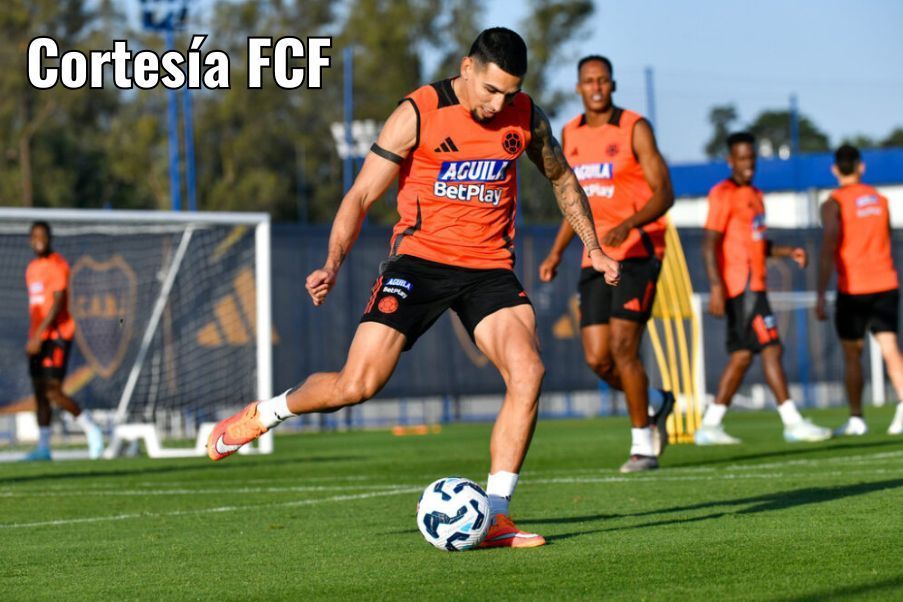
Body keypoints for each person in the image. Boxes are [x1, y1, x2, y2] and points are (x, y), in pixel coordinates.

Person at [206, 28, 619, 549]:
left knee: (528, 371)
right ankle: (265, 413)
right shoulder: (419, 112)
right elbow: (359, 195)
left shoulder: (525, 115)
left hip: (489, 268)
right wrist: (333, 263)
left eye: (510, 93)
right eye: (491, 90)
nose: (500, 103)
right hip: (419, 263)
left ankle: (494, 516)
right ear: (466, 68)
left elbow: (561, 178)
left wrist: (594, 247)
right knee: (357, 385)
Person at [537, 55, 675, 473]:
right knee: (598, 358)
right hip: (593, 256)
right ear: (579, 88)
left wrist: (628, 224)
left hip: (637, 252)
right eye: (588, 81)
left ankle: (643, 444)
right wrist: (558, 252)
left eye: (603, 80)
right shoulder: (570, 133)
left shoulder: (634, 127)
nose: (596, 87)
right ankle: (655, 401)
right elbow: (574, 201)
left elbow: (664, 193)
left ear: (612, 84)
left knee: (623, 347)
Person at [695, 132, 831, 445]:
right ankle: (793, 422)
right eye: (741, 159)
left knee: (743, 356)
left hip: (755, 285)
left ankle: (710, 426)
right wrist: (716, 288)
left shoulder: (756, 195)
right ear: (730, 161)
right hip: (741, 288)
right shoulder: (723, 193)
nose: (748, 164)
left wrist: (788, 251)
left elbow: (756, 242)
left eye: (751, 158)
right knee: (771, 348)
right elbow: (709, 244)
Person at [816, 144, 903, 436]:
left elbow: (829, 246)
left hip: (853, 288)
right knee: (891, 349)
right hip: (886, 283)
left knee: (852, 354)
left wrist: (819, 293)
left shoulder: (833, 202)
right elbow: (888, 235)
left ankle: (856, 419)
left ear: (835, 169)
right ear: (861, 167)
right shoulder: (880, 200)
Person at [24, 221, 104, 460]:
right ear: (30, 239)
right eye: (35, 236)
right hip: (36, 338)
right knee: (39, 393)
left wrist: (39, 335)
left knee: (53, 392)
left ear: (50, 238)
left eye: (43, 235)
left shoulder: (58, 265)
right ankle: (44, 447)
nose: (39, 239)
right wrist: (34, 336)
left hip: (56, 336)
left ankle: (92, 429)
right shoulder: (31, 268)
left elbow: (58, 302)